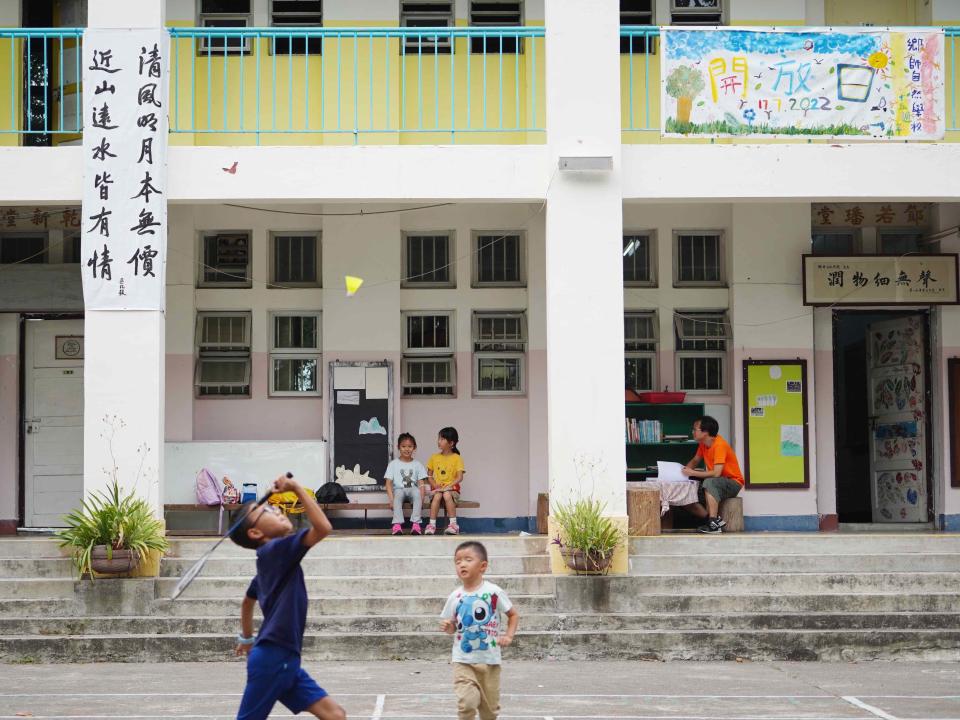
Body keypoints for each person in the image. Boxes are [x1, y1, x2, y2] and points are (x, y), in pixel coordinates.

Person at [230, 474, 346, 720]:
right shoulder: (276, 550)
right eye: (267, 512)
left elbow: (247, 601)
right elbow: (323, 528)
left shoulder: (267, 562)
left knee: (335, 715)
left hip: (285, 660)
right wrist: (295, 488)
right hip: (273, 658)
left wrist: (247, 637)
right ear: (254, 533)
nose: (277, 511)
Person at [440, 541, 519, 720]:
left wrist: (508, 635)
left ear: (483, 566)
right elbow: (454, 627)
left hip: (490, 661)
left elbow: (513, 615)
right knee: (466, 703)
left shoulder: (493, 592)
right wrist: (448, 627)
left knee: (489, 712)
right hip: (463, 660)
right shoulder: (455, 596)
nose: (461, 564)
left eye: (468, 559)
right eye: (457, 561)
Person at [681, 415, 744, 534]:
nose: (693, 432)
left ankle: (714, 523)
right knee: (687, 492)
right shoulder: (703, 444)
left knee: (709, 482)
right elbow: (695, 460)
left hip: (733, 482)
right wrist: (682, 474)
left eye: (695, 429)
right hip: (717, 481)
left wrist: (692, 472)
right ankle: (710, 521)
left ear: (705, 432)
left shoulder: (719, 445)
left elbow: (716, 473)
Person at [384, 432, 428, 536]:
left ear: (414, 448)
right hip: (399, 489)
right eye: (403, 446)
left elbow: (421, 484)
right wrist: (391, 499)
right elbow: (388, 483)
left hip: (413, 489)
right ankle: (397, 525)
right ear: (398, 447)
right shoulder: (393, 464)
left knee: (417, 492)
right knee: (398, 495)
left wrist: (421, 499)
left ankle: (416, 524)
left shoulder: (417, 464)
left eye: (410, 446)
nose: (407, 449)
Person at [425, 426, 465, 535]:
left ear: (451, 443)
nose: (439, 441)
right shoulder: (434, 457)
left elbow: (460, 477)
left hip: (452, 489)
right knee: (437, 496)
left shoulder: (457, 458)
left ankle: (453, 525)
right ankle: (431, 525)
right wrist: (435, 485)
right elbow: (429, 476)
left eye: (442, 439)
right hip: (438, 490)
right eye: (439, 438)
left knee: (447, 494)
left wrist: (449, 486)